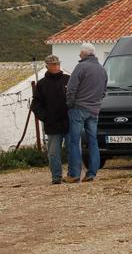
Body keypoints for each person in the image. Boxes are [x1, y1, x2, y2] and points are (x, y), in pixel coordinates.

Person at [65, 43, 108, 183]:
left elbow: (71, 89)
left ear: (84, 54)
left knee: (74, 141)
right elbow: (103, 91)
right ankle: (92, 173)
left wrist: (70, 104)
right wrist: (96, 104)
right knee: (93, 141)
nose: (79, 55)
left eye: (80, 53)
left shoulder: (81, 67)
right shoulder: (102, 69)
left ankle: (74, 174)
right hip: (94, 110)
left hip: (79, 109)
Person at [31, 55, 70, 185]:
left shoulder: (68, 80)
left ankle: (73, 175)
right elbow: (36, 105)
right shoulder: (41, 84)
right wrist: (46, 117)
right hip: (52, 125)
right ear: (47, 66)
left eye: (57, 64)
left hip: (69, 123)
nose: (56, 66)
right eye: (53, 64)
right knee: (53, 153)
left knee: (74, 150)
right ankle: (56, 177)